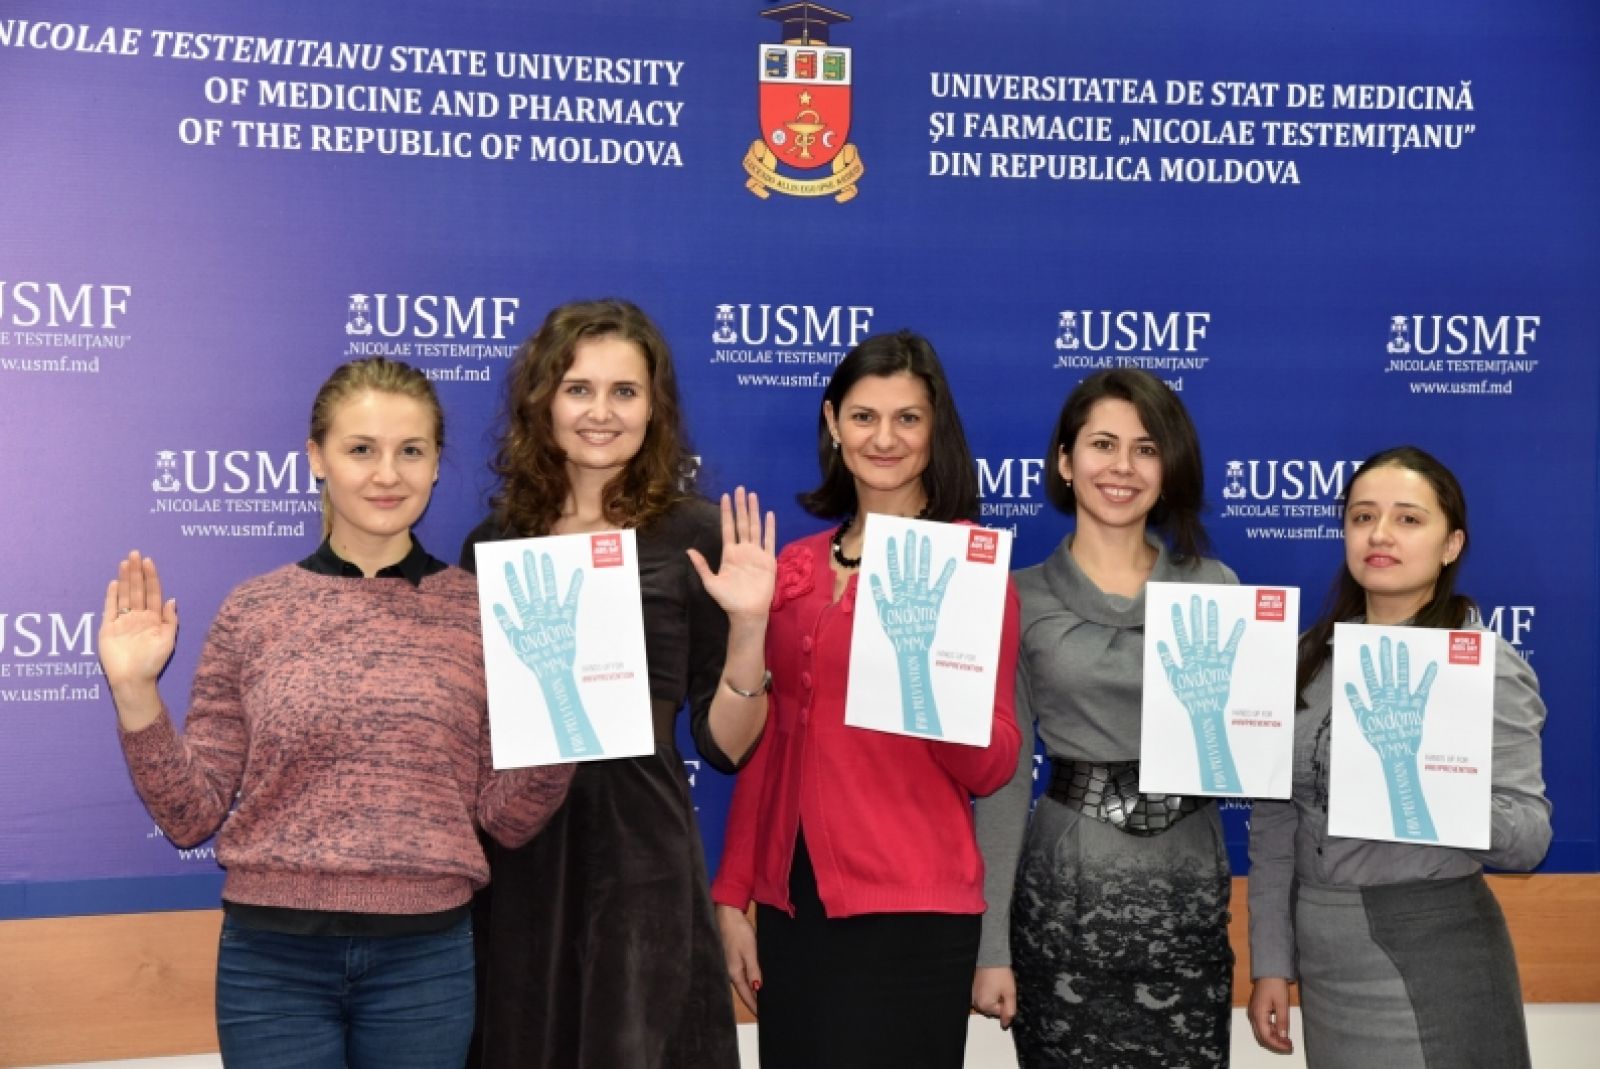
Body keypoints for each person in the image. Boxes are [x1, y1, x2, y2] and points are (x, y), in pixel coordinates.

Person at [98, 357, 575, 1069]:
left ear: (436, 464)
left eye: (410, 450)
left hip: (425, 963)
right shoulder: (253, 611)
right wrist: (136, 692)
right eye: (361, 449)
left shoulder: (484, 613)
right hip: (273, 963)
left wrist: (566, 708)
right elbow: (190, 815)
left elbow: (507, 818)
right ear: (316, 458)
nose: (387, 474)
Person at [462, 298, 774, 1069]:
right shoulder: (494, 543)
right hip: (520, 855)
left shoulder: (696, 535)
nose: (601, 412)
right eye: (579, 388)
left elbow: (726, 746)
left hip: (642, 856)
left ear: (653, 408)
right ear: (543, 401)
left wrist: (748, 627)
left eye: (625, 391)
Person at [712, 329, 1023, 1069]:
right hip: (795, 909)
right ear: (832, 422)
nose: (884, 438)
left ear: (934, 430)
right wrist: (733, 893)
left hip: (915, 912)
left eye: (907, 418)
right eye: (863, 416)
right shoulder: (791, 569)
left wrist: (922, 672)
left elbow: (994, 764)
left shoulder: (968, 570)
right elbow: (766, 746)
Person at [1246, 445, 1551, 1068]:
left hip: (1436, 950)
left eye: (1408, 519)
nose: (1380, 534)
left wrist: (1412, 785)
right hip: (1325, 958)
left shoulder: (1480, 665)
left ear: (1451, 544)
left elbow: (1527, 839)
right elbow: (1275, 822)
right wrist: (1271, 963)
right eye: (1363, 516)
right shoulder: (1306, 658)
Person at [972, 368, 1237, 1067]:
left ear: (1169, 466)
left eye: (1146, 448)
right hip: (1064, 905)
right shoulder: (1016, 596)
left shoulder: (1218, 589)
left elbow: (1257, 771)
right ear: (1066, 461)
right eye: (1102, 444)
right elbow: (1003, 781)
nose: (1123, 466)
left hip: (1187, 904)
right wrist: (992, 946)